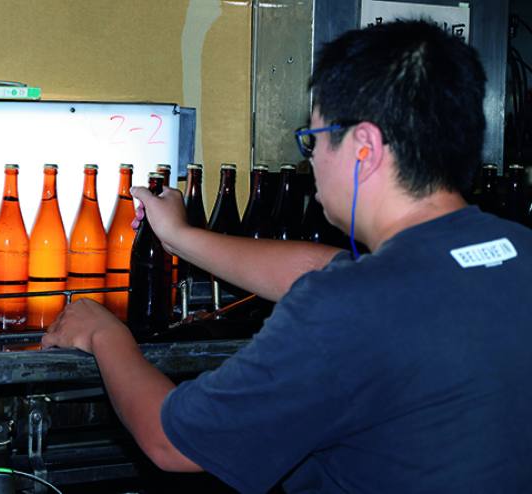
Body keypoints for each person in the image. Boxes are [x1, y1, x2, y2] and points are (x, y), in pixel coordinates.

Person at [42, 19, 532, 493]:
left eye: (313, 139)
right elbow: (323, 271)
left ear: (364, 147)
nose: (310, 159)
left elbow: (171, 443)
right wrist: (180, 236)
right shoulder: (514, 251)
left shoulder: (346, 309)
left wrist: (107, 335)